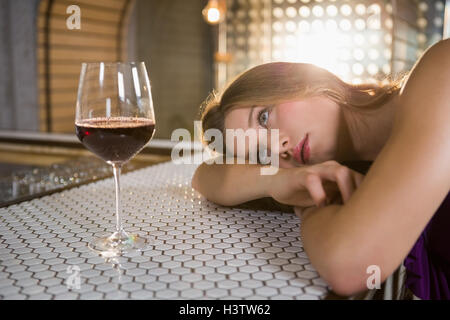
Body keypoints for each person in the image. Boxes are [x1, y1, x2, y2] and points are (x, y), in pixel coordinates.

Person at [191, 39, 450, 299]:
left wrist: (307, 206)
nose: (278, 147)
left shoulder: (440, 71)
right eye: (261, 155)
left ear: (297, 79)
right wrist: (275, 181)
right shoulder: (365, 180)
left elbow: (348, 265)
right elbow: (204, 174)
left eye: (264, 117)